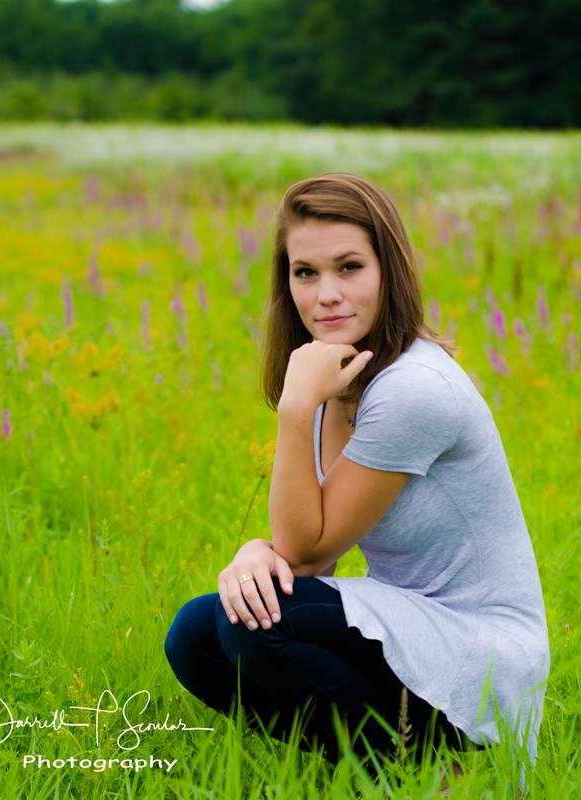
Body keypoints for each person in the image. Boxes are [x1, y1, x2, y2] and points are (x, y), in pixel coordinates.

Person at [164, 173, 550, 782]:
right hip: (410, 625)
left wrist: (295, 410)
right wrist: (254, 552)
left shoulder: (412, 389)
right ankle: (396, 768)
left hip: (481, 655)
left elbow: (304, 555)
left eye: (349, 267)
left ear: (388, 271)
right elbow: (312, 561)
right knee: (195, 636)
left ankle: (419, 773)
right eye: (305, 272)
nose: (327, 295)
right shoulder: (338, 374)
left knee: (257, 625)